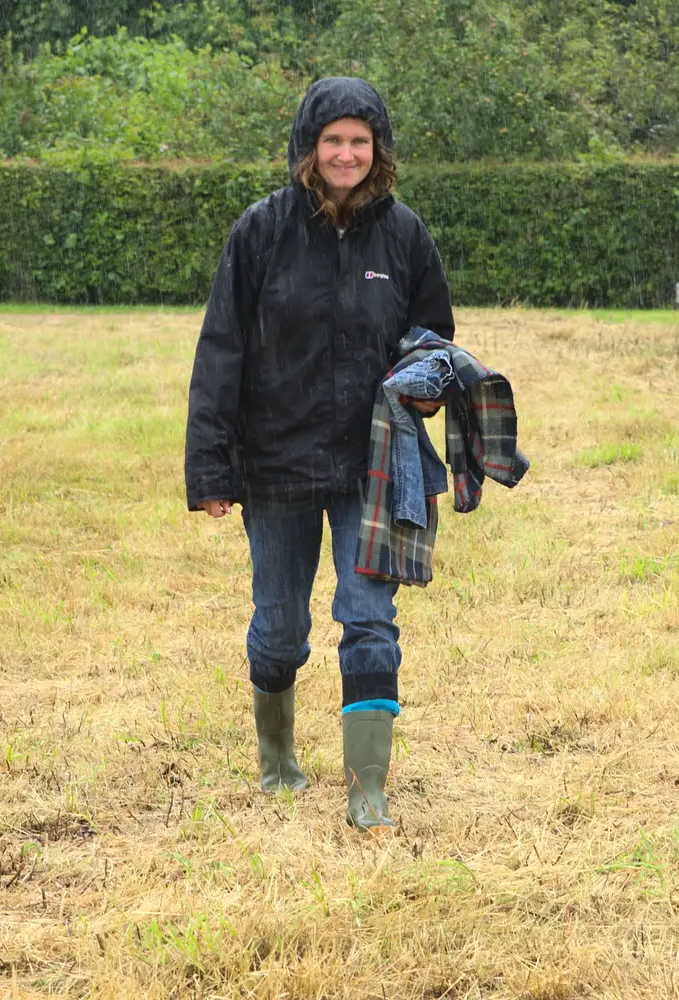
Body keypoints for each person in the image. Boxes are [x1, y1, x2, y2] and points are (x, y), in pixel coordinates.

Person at [184, 77, 455, 831]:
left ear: (379, 150)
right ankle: (278, 763)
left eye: (359, 142)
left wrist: (430, 382)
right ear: (309, 147)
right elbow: (221, 352)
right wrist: (211, 469)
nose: (346, 155)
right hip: (274, 463)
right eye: (333, 141)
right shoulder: (261, 231)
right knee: (279, 626)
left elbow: (432, 333)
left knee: (369, 618)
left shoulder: (404, 234)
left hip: (372, 461)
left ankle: (368, 789)